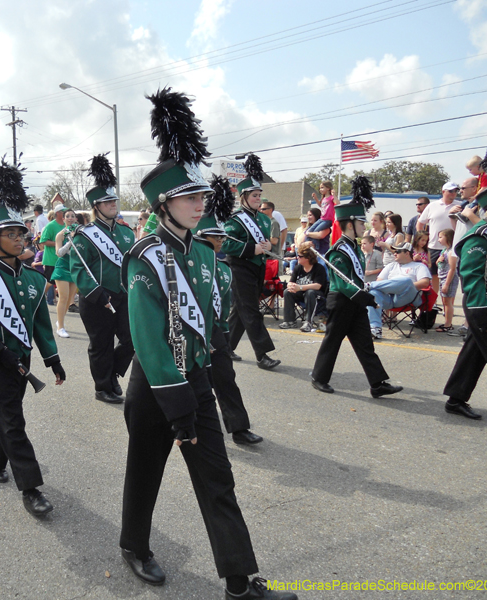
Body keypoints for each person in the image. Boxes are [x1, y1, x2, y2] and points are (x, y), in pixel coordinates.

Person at [120, 88, 297, 600]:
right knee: (145, 471)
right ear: (163, 204)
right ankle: (135, 545)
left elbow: (213, 316)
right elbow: (148, 338)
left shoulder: (201, 253)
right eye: (190, 197)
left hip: (194, 381)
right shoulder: (145, 255)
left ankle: (240, 583)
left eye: (201, 196)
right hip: (157, 386)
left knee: (218, 481)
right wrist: (175, 400)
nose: (202, 204)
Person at [0, 157, 66, 517]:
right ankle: (31, 487)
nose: (20, 238)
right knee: (12, 419)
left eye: (21, 233)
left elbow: (39, 325)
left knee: (9, 412)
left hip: (23, 356)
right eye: (12, 234)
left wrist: (52, 357)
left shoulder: (36, 279)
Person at [310, 177, 403, 398]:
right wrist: (364, 298)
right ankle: (319, 377)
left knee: (364, 343)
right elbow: (342, 283)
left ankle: (378, 383)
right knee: (332, 340)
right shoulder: (339, 250)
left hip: (356, 301)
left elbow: (356, 278)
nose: (365, 227)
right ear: (350, 224)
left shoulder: (354, 247)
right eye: (362, 224)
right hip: (342, 301)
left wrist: (364, 296)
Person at [443, 150, 487, 419]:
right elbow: (472, 275)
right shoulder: (481, 235)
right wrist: (480, 308)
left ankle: (456, 398)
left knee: (475, 350)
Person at [195, 175, 263, 446]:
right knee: (193, 386)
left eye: (222, 236)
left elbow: (223, 307)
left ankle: (239, 428)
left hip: (215, 333)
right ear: (202, 238)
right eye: (216, 236)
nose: (221, 241)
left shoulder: (223, 269)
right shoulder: (188, 264)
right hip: (191, 332)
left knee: (226, 380)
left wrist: (222, 333)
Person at [71, 154, 136, 403]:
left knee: (131, 340)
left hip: (124, 295)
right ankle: (102, 387)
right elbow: (78, 268)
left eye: (114, 200)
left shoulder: (126, 232)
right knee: (101, 344)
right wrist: (96, 291)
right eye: (107, 201)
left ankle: (113, 375)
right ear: (96, 206)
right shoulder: (85, 235)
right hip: (97, 297)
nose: (113, 204)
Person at [222, 154, 281, 371]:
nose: (258, 199)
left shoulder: (265, 220)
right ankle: (262, 355)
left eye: (259, 195)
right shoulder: (234, 219)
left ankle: (225, 347)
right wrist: (251, 248)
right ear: (244, 197)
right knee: (251, 310)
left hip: (258, 267)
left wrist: (265, 247)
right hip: (239, 268)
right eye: (254, 196)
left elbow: (267, 243)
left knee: (240, 309)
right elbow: (226, 244)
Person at [365, 242, 431, 339]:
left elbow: (425, 283)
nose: (394, 253)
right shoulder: (391, 265)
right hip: (391, 299)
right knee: (373, 293)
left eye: (398, 251)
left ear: (407, 253)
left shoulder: (419, 266)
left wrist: (403, 286)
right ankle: (375, 328)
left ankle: (368, 286)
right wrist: (394, 287)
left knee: (406, 281)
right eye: (394, 251)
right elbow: (379, 282)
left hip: (410, 297)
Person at [417, 182, 459, 292]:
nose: (453, 193)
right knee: (434, 274)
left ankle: (448, 300)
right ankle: (434, 300)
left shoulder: (459, 206)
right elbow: (420, 223)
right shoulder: (432, 206)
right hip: (434, 246)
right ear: (443, 191)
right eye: (450, 191)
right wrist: (422, 240)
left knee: (451, 273)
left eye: (455, 191)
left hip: (452, 248)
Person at [279, 241, 327, 332]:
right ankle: (289, 321)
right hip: (302, 294)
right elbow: (291, 282)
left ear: (308, 258)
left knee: (310, 292)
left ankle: (308, 322)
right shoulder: (298, 267)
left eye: (300, 256)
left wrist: (300, 287)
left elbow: (318, 286)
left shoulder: (318, 268)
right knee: (287, 291)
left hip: (317, 296)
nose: (298, 258)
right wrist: (291, 286)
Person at [52, 208, 79, 338]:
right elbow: (59, 253)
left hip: (74, 268)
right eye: (67, 216)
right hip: (62, 268)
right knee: (63, 297)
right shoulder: (60, 234)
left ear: (76, 219)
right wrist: (70, 241)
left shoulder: (80, 233)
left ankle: (60, 318)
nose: (70, 218)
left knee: (69, 300)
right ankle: (60, 327)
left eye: (72, 216)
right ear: (63, 219)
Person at [39, 204, 66, 306]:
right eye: (63, 211)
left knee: (62, 280)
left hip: (63, 259)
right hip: (51, 259)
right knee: (50, 282)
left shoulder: (65, 225)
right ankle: (41, 298)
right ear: (57, 213)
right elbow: (43, 241)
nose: (65, 213)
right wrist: (58, 244)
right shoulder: (50, 226)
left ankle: (63, 302)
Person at [434, 229, 458, 332]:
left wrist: (446, 284)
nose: (438, 239)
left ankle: (448, 324)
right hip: (442, 276)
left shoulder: (451, 252)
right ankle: (446, 322)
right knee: (445, 301)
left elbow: (452, 269)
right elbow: (439, 264)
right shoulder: (445, 250)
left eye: (440, 237)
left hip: (449, 279)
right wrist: (438, 260)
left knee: (447, 302)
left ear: (448, 238)